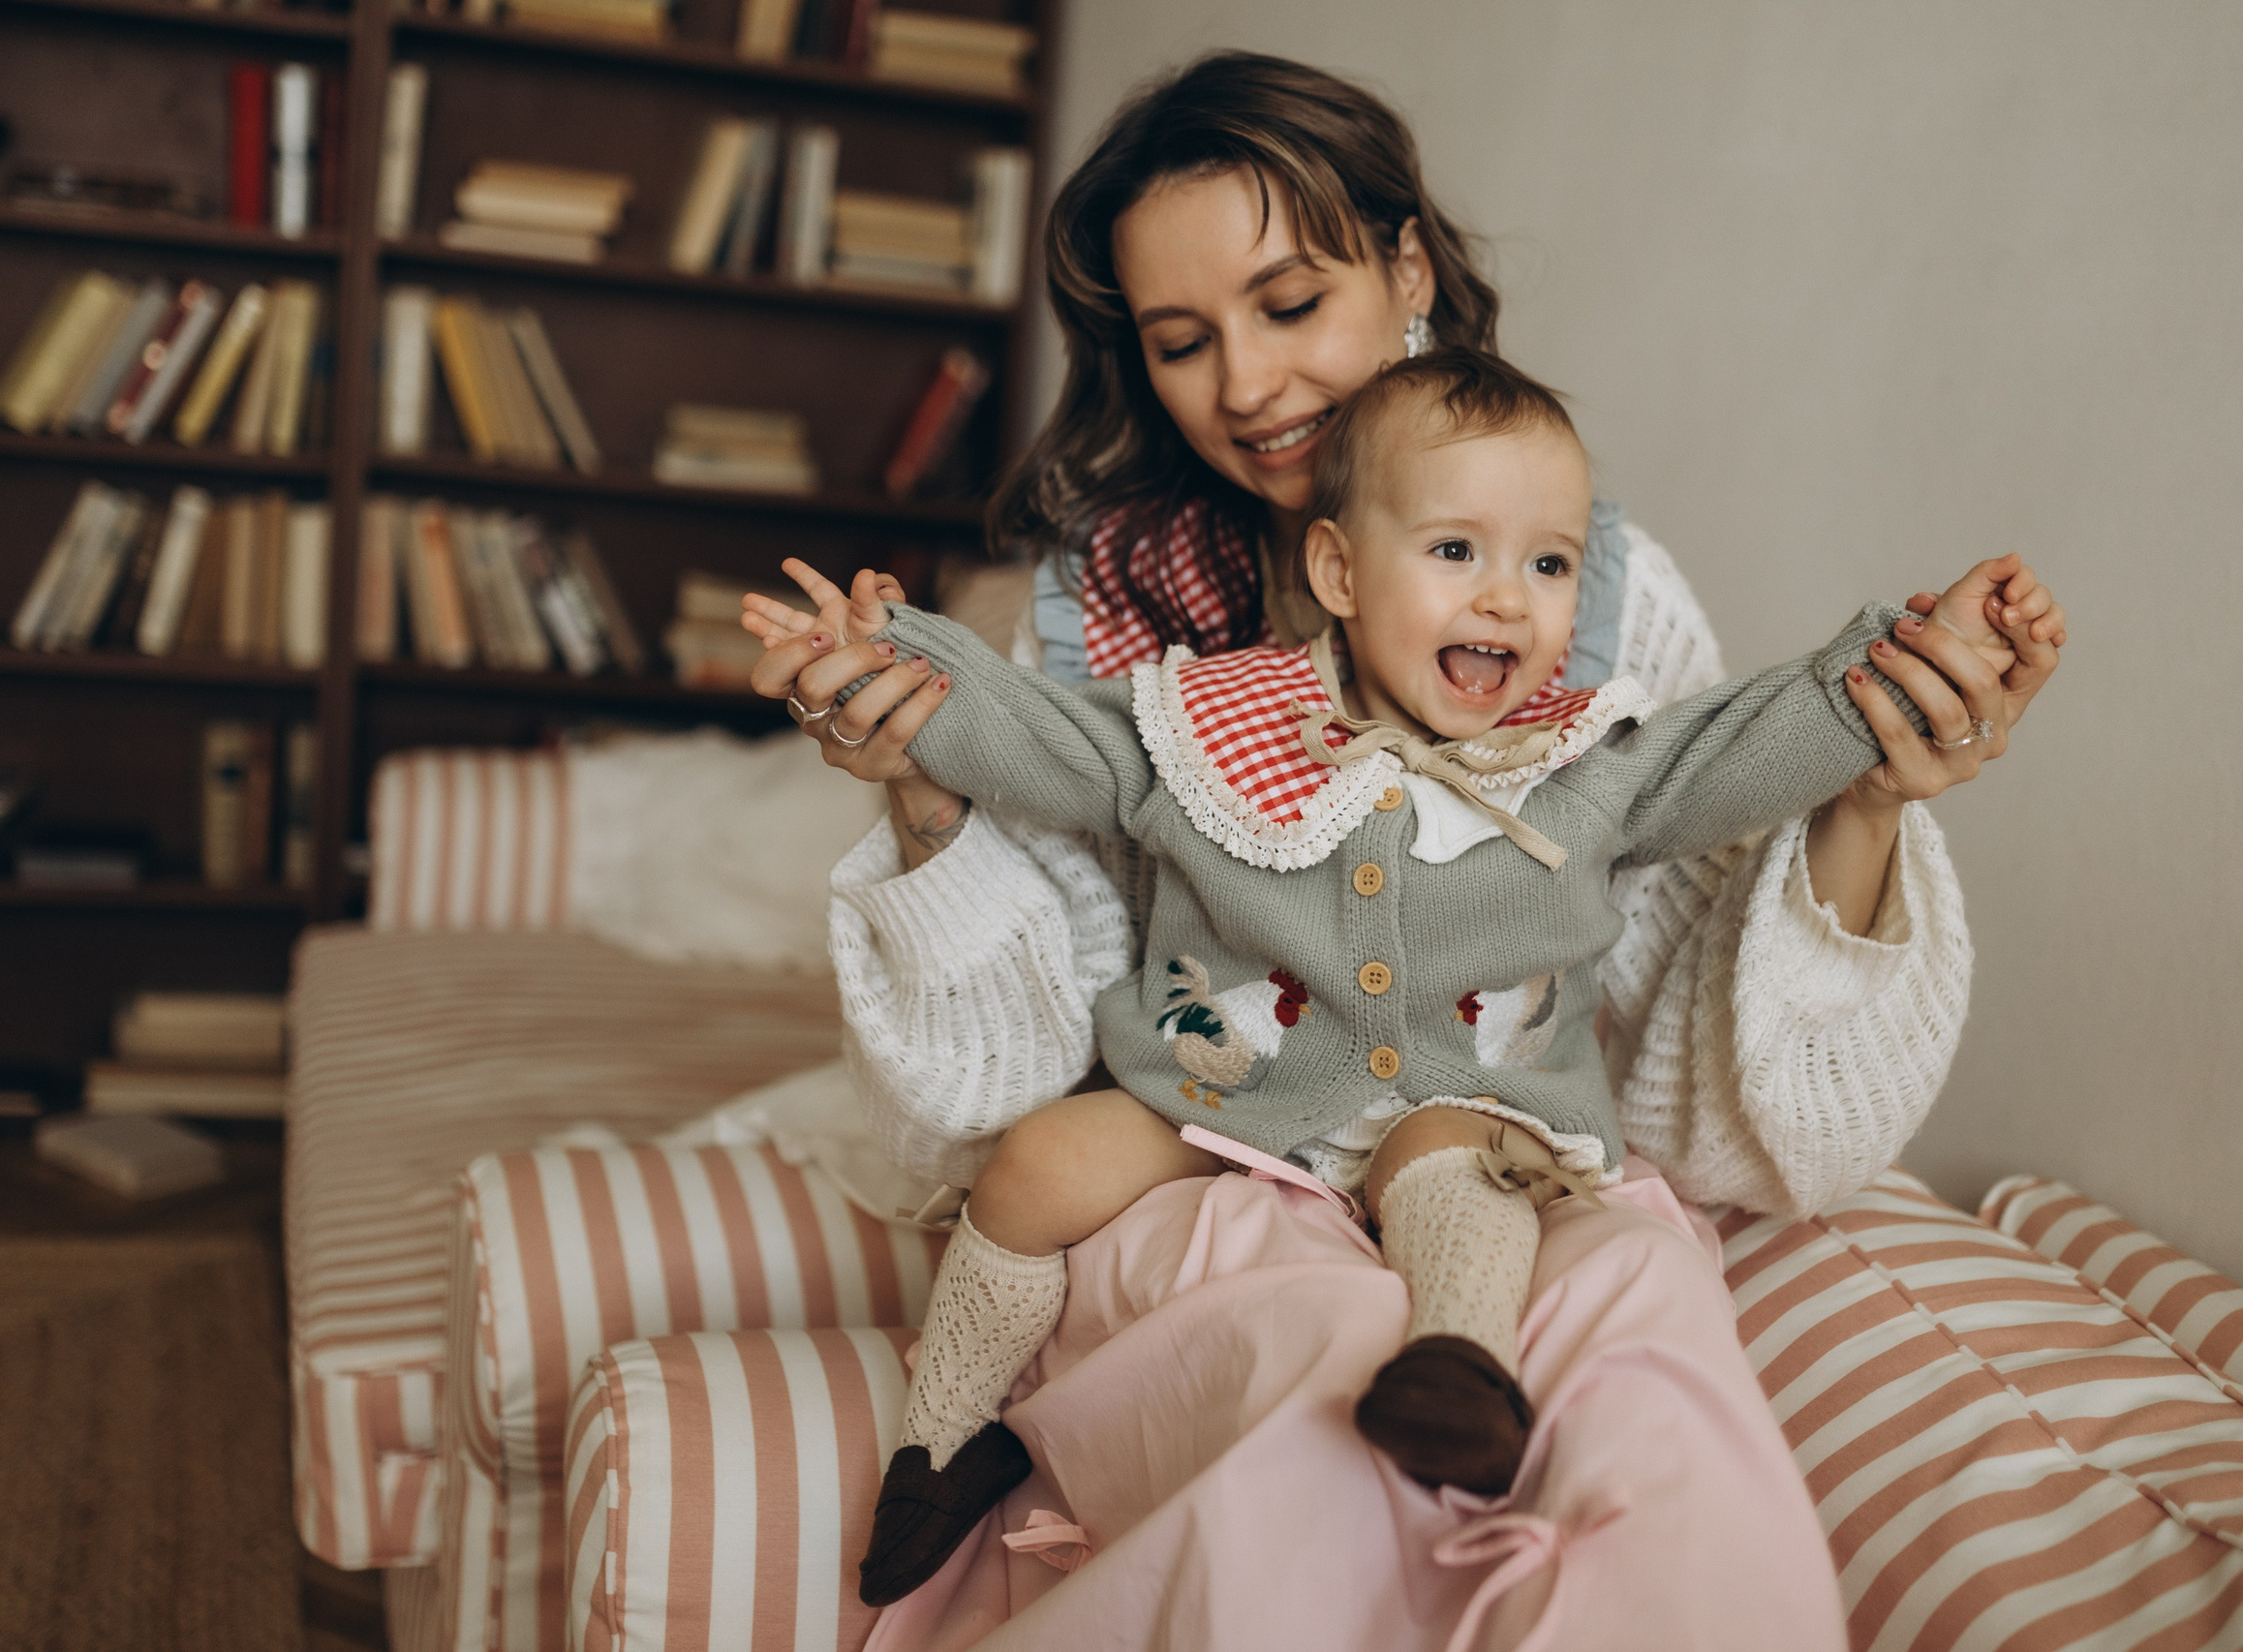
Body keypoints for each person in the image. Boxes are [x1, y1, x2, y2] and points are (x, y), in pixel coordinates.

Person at [744, 50, 2069, 1646]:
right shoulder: (1109, 633)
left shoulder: (1582, 599)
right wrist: (927, 790)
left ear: (1408, 270)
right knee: (1318, 1381)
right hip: (1208, 1147)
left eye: (1288, 303)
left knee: (1647, 1365)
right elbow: (995, 1097)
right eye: (1182, 340)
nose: (1243, 383)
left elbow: (1694, 1076)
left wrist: (1872, 762)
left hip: (1499, 1143)